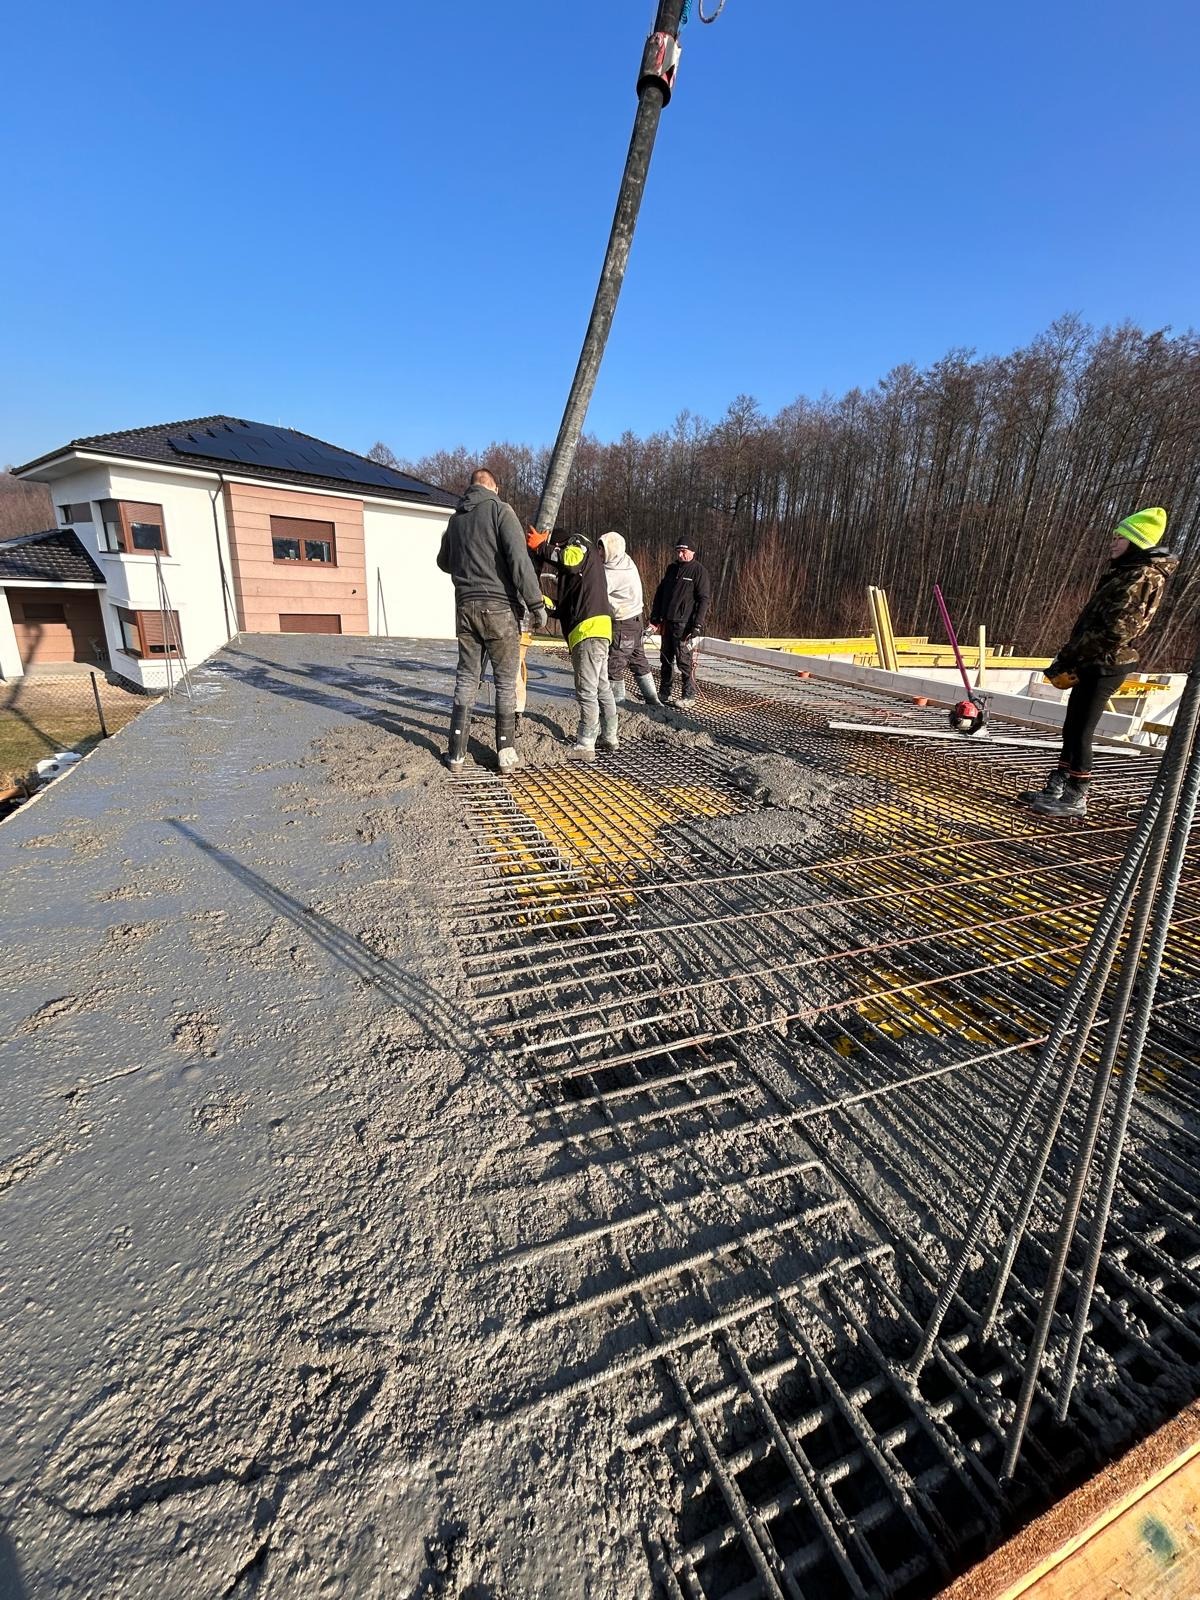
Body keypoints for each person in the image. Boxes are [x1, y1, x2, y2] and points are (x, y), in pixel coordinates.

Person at [1022, 507, 1175, 818]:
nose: (1113, 542)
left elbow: (1116, 630)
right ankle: (1058, 786)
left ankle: (1077, 796)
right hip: (1093, 660)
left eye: (1121, 537)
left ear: (1137, 542)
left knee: (1082, 730)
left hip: (1106, 664)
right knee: (1072, 726)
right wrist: (1073, 657)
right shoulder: (1127, 571)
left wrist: (1072, 656)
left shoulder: (1141, 576)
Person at [437, 469, 545, 775]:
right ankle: (505, 754)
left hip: (465, 608)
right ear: (493, 487)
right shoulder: (500, 510)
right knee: (505, 682)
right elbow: (519, 560)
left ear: (471, 487)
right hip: (499, 609)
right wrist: (536, 603)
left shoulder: (455, 519)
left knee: (467, 677)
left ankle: (456, 753)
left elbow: (443, 562)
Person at [527, 527, 616, 761]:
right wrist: (542, 603)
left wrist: (542, 548)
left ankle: (586, 744)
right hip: (600, 628)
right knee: (601, 685)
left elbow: (569, 560)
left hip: (587, 630)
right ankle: (610, 735)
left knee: (586, 689)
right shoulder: (582, 575)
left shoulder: (577, 544)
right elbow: (565, 606)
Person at [599, 531, 660, 705]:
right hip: (635, 621)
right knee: (638, 659)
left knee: (615, 663)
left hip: (624, 624)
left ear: (612, 551)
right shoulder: (624, 561)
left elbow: (597, 591)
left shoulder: (615, 573)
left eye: (603, 550)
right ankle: (653, 699)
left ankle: (616, 703)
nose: (600, 554)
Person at [650, 537, 712, 706]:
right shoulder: (672, 569)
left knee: (683, 660)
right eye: (678, 551)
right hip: (667, 621)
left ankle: (689, 695)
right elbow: (660, 593)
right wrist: (655, 616)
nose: (680, 554)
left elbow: (704, 600)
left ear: (692, 552)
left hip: (684, 624)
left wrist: (697, 624)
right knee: (665, 659)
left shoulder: (699, 571)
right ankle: (665, 691)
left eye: (684, 551)